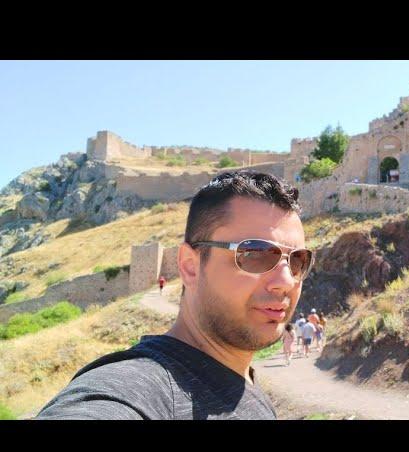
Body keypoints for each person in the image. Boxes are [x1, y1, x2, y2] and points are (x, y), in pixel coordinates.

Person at [36, 170, 314, 420]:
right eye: (255, 255)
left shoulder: (245, 387)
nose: (285, 281)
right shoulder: (137, 391)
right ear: (190, 267)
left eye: (298, 260)